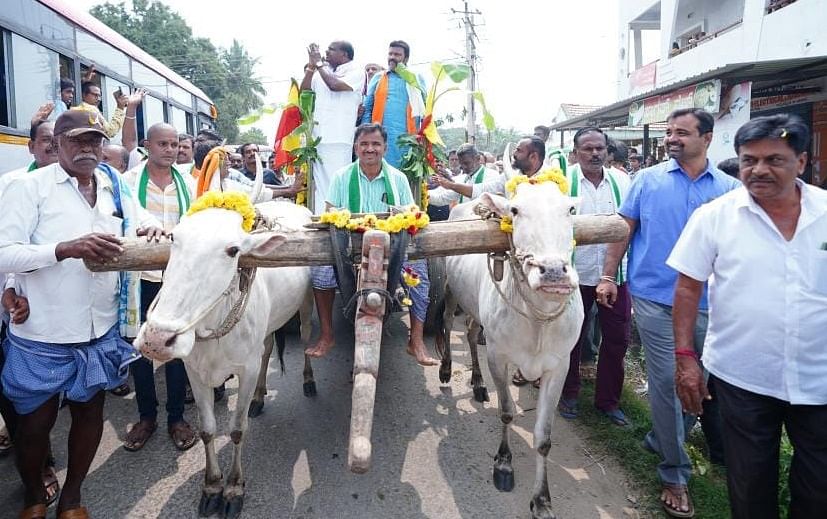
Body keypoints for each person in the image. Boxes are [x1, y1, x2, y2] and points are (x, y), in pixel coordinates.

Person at [0, 109, 162, 519]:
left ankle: (71, 499)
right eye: (78, 141)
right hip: (42, 333)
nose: (88, 148)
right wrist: (65, 249)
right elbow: (4, 254)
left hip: (99, 329)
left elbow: (140, 222)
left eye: (95, 140)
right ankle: (35, 495)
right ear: (57, 144)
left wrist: (148, 229)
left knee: (90, 416)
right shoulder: (28, 187)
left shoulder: (114, 185)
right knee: (33, 428)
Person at [669, 114, 827, 519]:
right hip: (744, 378)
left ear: (802, 162)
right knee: (750, 486)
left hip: (821, 377)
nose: (758, 170)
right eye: (748, 160)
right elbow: (688, 288)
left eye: (774, 159)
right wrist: (686, 359)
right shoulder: (715, 217)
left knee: (819, 489)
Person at [597, 108, 739, 518]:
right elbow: (623, 229)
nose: (672, 139)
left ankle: (663, 438)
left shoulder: (731, 190)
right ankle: (674, 472)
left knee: (700, 384)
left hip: (713, 303)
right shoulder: (647, 180)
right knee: (666, 379)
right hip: (656, 297)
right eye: (669, 132)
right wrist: (608, 276)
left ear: (707, 139)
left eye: (682, 133)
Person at [305, 123, 437, 366]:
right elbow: (330, 212)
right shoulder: (341, 177)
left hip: (393, 245)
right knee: (320, 274)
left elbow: (411, 213)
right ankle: (327, 335)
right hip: (347, 246)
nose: (370, 149)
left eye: (376, 144)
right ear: (356, 148)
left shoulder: (397, 178)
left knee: (420, 274)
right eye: (364, 144)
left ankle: (416, 340)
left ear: (384, 148)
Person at [122, 123, 198, 453]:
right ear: (146, 145)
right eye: (162, 143)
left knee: (176, 348)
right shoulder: (128, 182)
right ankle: (146, 417)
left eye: (174, 143)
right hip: (142, 277)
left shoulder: (190, 184)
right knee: (140, 349)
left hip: (177, 281)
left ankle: (176, 418)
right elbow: (128, 214)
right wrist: (148, 226)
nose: (169, 149)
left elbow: (197, 220)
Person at [558, 128, 632, 427]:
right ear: (575, 153)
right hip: (575, 275)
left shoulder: (623, 181)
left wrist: (611, 275)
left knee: (618, 338)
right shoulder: (562, 183)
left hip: (615, 276)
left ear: (607, 151)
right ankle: (569, 392)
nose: (594, 154)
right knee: (571, 337)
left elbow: (629, 224)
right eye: (587, 149)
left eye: (599, 148)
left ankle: (608, 401)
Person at [301, 41, 365, 214]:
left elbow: (335, 86)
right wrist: (311, 67)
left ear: (344, 55)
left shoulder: (356, 72)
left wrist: (320, 64)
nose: (326, 52)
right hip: (318, 138)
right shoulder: (323, 71)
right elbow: (305, 91)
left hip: (339, 138)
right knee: (319, 187)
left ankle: (336, 222)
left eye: (331, 50)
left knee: (336, 184)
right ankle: (320, 220)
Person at [360, 41, 426, 168]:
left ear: (406, 58)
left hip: (408, 140)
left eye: (397, 54)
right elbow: (368, 108)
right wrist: (365, 133)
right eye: (390, 54)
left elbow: (425, 111)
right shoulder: (378, 78)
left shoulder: (416, 79)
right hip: (380, 138)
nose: (392, 57)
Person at [429, 143, 500, 206]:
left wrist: (451, 185)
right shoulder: (462, 179)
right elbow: (441, 198)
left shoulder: (492, 176)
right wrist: (422, 193)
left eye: (466, 163)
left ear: (478, 158)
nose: (463, 167)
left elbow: (479, 192)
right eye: (461, 164)